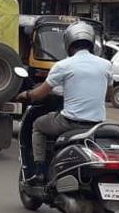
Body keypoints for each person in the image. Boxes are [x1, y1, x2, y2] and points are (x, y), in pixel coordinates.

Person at [18, 21, 113, 183]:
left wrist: (26, 94)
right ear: (91, 42)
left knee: (38, 125)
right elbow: (109, 95)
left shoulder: (63, 65)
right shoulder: (106, 65)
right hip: (97, 125)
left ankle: (40, 171)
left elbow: (40, 94)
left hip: (70, 123)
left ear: (68, 43)